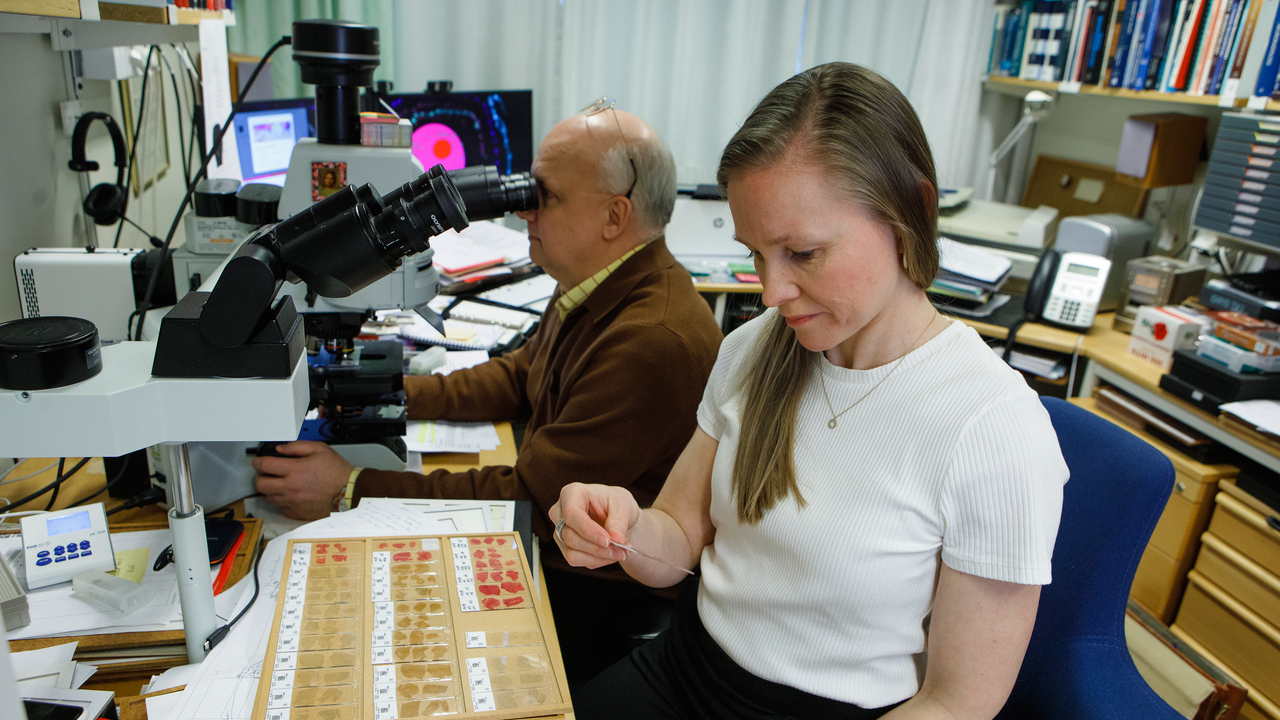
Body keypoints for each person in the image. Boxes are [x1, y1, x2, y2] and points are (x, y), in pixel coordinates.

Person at [551, 63, 1070, 720]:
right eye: (757, 254)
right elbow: (680, 533)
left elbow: (958, 703)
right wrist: (621, 528)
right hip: (682, 670)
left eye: (802, 253)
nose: (771, 293)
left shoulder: (991, 427)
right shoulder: (755, 348)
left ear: (912, 211)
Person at [253, 104, 724, 680]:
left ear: (614, 215)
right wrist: (392, 390)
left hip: (591, 592)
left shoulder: (652, 339)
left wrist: (349, 488)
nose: (524, 208)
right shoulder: (599, 282)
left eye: (543, 195)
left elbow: (525, 499)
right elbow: (519, 376)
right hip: (552, 540)